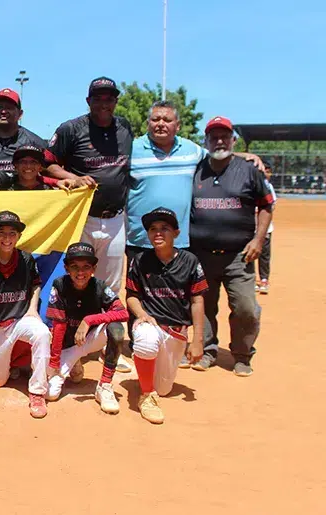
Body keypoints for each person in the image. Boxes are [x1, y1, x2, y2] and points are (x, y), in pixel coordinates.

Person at [47, 76, 133, 373]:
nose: (104, 102)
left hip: (114, 219)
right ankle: (75, 349)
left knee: (110, 287)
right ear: (88, 101)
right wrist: (68, 176)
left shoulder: (125, 129)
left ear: (115, 101)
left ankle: (112, 349)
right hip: (81, 218)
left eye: (109, 97)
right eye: (98, 97)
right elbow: (49, 163)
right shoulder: (71, 129)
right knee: (77, 281)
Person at [126, 100, 266, 264]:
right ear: (147, 123)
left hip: (180, 243)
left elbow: (217, 154)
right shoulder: (130, 150)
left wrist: (246, 156)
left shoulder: (191, 150)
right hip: (140, 241)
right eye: (155, 119)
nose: (161, 124)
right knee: (138, 289)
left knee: (178, 289)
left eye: (167, 120)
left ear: (177, 125)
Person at [189, 117, 274, 376]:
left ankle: (241, 354)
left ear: (233, 140)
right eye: (213, 136)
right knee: (204, 305)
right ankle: (208, 350)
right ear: (206, 142)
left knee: (246, 307)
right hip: (202, 254)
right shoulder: (196, 169)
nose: (219, 141)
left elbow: (267, 204)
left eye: (224, 136)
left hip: (240, 255)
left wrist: (258, 240)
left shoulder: (249, 170)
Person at [126, 208, 208, 424]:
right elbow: (131, 297)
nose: (158, 233)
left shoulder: (190, 261)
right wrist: (141, 314)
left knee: (164, 389)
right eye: (153, 229)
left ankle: (151, 382)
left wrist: (198, 339)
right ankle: (146, 395)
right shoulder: (140, 260)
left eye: (165, 228)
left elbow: (197, 300)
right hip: (150, 324)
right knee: (144, 341)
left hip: (176, 332)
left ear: (177, 233)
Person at [0, 212, 52, 418]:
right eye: (1, 233)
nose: (7, 238)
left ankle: (37, 391)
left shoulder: (26, 259)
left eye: (12, 233)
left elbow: (36, 285)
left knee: (43, 333)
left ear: (18, 236)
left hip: (20, 319)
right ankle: (14, 364)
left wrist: (32, 310)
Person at [45, 243, 128, 414]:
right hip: (68, 344)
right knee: (50, 394)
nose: (80, 272)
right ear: (66, 268)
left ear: (94, 268)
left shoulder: (99, 286)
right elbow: (59, 325)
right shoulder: (60, 285)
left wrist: (89, 320)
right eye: (74, 267)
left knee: (117, 329)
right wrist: (54, 362)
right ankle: (73, 361)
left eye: (86, 267)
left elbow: (122, 312)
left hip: (89, 340)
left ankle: (105, 385)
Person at [256, 163, 277, 294]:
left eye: (269, 172)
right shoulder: (251, 183)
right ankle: (249, 280)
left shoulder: (269, 187)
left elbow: (271, 206)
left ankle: (264, 279)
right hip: (249, 227)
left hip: (265, 228)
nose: (266, 174)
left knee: (264, 255)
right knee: (247, 256)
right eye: (264, 171)